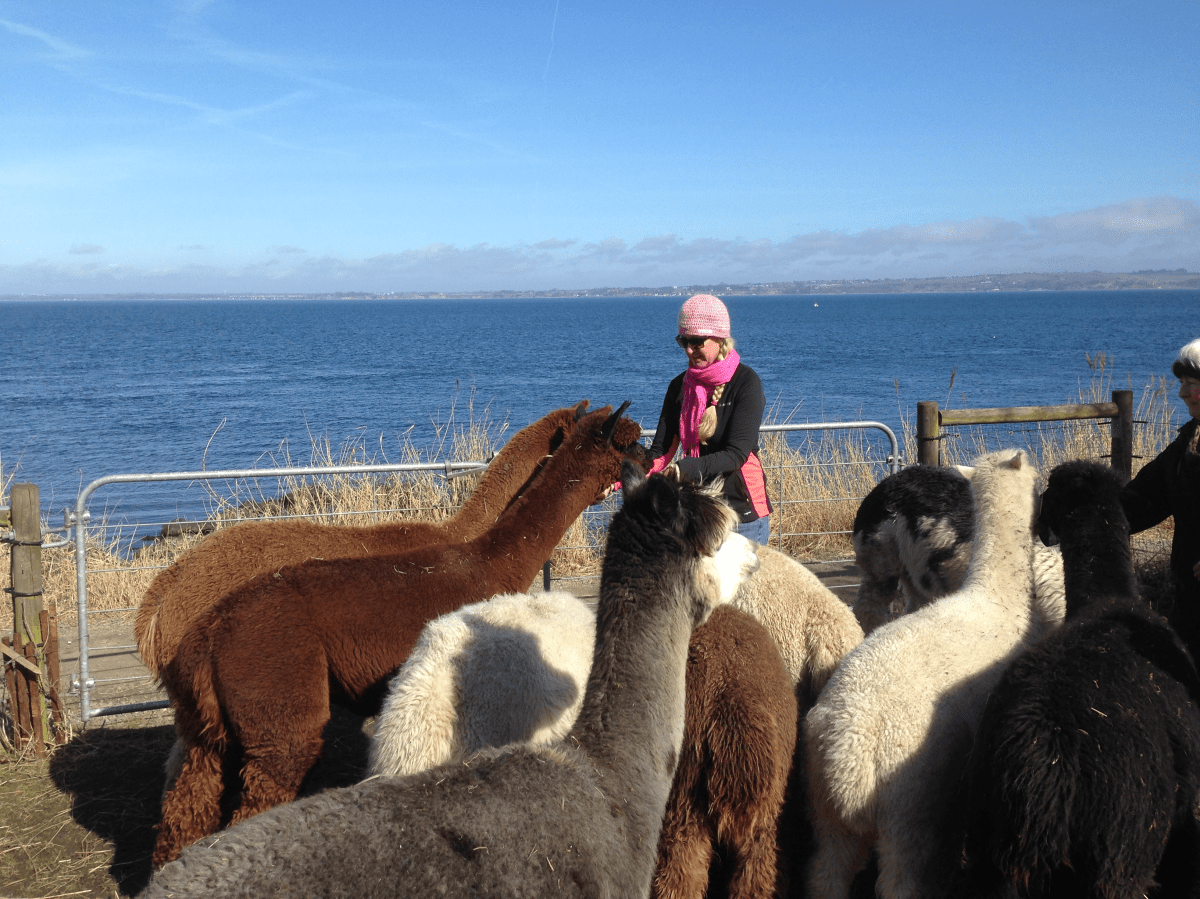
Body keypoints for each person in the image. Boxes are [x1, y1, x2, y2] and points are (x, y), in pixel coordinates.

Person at [647, 294, 773, 543]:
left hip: (741, 515)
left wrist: (683, 470)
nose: (689, 350)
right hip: (697, 511)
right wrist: (620, 478)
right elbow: (661, 451)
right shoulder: (678, 387)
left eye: (696, 342)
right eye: (683, 342)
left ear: (720, 338)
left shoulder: (746, 383)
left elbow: (736, 454)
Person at [1120, 337, 1200, 656]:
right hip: (1191, 610)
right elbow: (1138, 502)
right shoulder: (1187, 446)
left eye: (1190, 383)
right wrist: (1060, 520)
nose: (1181, 393)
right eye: (1181, 383)